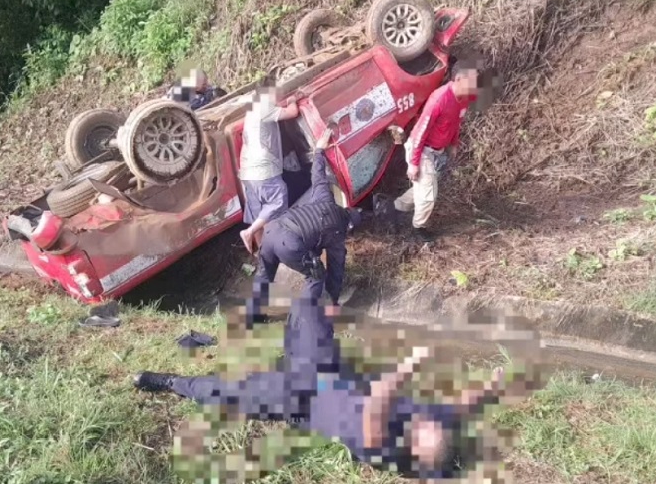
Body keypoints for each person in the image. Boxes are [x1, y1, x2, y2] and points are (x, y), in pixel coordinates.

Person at [133, 297, 506, 482]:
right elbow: (458, 408)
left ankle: (169, 383)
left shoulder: (382, 449)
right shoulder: (430, 427)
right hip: (329, 371)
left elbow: (378, 404)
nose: (427, 423)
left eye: (425, 432)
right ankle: (289, 347)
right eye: (432, 427)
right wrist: (491, 387)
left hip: (299, 397)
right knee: (308, 306)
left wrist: (409, 364)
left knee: (226, 392)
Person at [248, 129, 362, 324]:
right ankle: (305, 320)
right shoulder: (337, 231)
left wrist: (319, 150)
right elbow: (336, 269)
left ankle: (254, 319)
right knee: (316, 275)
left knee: (265, 273)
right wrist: (333, 302)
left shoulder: (325, 197)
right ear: (349, 226)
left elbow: (318, 175)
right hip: (289, 242)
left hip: (272, 230)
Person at [394, 64, 479, 243]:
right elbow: (420, 132)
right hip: (422, 149)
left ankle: (396, 208)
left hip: (436, 151)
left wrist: (453, 144)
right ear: (457, 80)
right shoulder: (440, 99)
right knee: (428, 195)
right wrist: (414, 163)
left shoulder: (464, 98)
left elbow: (457, 121)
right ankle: (418, 228)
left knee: (424, 186)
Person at [238, 81, 302, 254]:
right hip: (263, 169)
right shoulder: (264, 107)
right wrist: (292, 100)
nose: (278, 97)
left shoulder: (252, 110)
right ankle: (249, 232)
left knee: (257, 213)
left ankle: (262, 254)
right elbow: (292, 112)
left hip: (247, 170)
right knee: (278, 198)